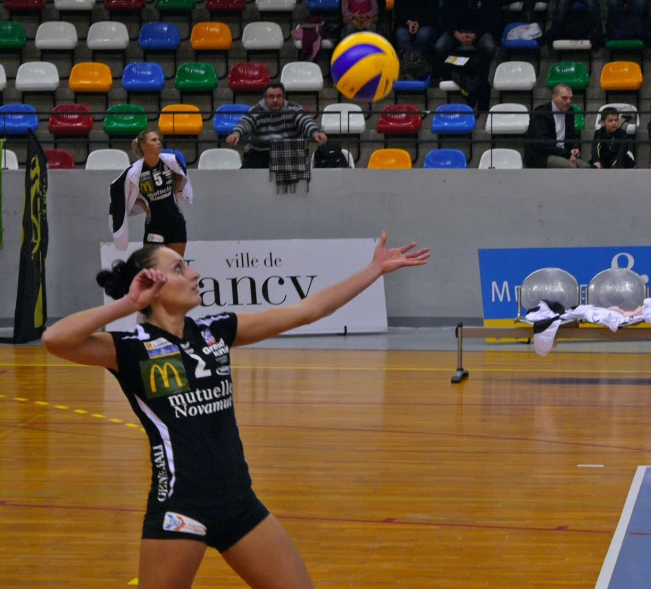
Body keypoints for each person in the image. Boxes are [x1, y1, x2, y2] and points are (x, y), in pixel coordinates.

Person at [41, 232, 431, 589]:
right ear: (152, 285)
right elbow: (55, 339)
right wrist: (127, 304)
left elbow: (309, 310)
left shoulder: (217, 331)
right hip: (180, 505)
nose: (193, 273)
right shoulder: (129, 347)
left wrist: (375, 269)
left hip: (238, 503)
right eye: (179, 268)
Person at [109, 130, 192, 256]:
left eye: (159, 139)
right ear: (143, 146)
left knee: (174, 268)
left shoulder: (170, 161)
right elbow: (115, 189)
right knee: (153, 269)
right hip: (154, 223)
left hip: (175, 221)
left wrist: (175, 191)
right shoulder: (135, 171)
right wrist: (139, 202)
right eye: (153, 140)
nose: (158, 142)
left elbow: (180, 173)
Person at [435, 0, 502, 108]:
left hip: (477, 32)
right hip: (456, 32)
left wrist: (476, 34)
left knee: (489, 46)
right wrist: (456, 34)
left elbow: (489, 18)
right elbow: (445, 17)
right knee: (440, 46)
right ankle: (461, 78)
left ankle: (480, 80)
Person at [225, 82, 328, 169]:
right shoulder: (256, 111)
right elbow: (245, 123)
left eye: (278, 96)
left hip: (287, 153)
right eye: (271, 96)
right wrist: (236, 134)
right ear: (265, 98)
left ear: (283, 98)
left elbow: (305, 121)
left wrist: (315, 133)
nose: (275, 100)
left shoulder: (294, 109)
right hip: (261, 153)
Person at [524, 84, 592, 168]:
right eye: (564, 98)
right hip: (541, 156)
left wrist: (573, 148)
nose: (568, 101)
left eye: (570, 98)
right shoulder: (541, 113)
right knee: (570, 167)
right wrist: (567, 155)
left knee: (587, 167)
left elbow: (569, 137)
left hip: (563, 153)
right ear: (554, 97)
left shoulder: (570, 112)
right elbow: (542, 144)